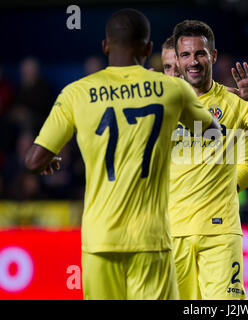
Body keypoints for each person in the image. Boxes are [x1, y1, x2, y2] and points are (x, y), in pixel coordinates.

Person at [24, 8, 219, 300]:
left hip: (100, 241)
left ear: (105, 46)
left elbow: (33, 161)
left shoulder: (76, 93)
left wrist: (48, 160)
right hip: (151, 241)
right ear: (149, 48)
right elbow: (212, 132)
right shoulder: (172, 89)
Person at [168, 19, 248, 300]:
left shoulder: (236, 102)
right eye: (185, 55)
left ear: (213, 55)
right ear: (176, 59)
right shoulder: (164, 104)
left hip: (220, 232)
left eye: (200, 53)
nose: (193, 61)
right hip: (171, 232)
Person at [160, 35, 248, 194]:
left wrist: (215, 192)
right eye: (167, 67)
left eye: (177, 68)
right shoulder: (155, 109)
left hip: (215, 212)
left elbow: (246, 167)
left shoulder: (227, 105)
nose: (173, 75)